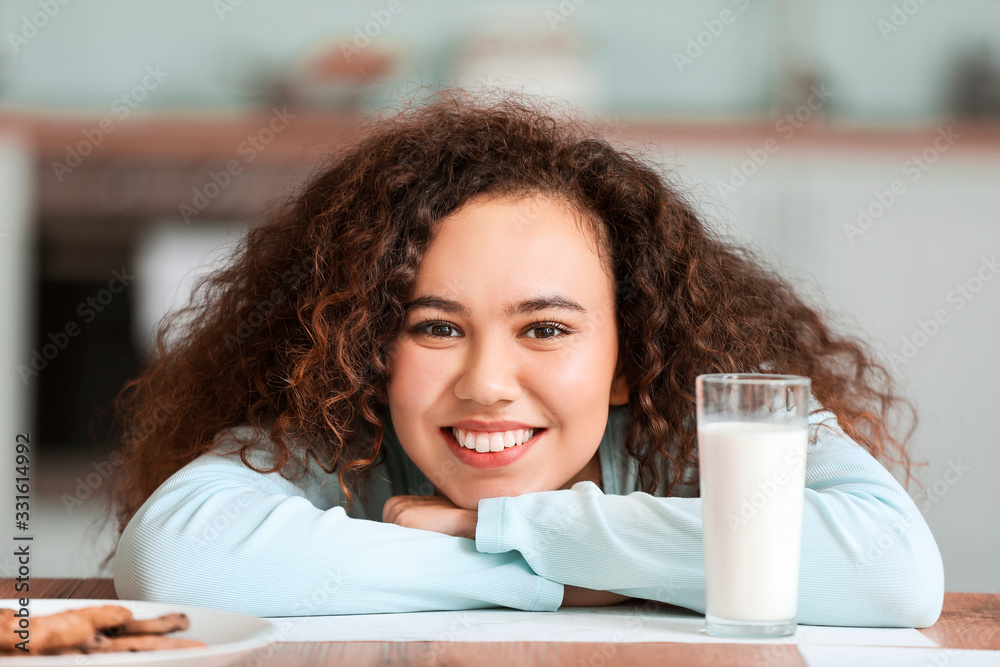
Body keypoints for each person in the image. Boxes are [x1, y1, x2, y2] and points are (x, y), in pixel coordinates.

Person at [106, 88, 944, 626]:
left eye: (545, 329)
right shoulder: (344, 435)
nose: (485, 385)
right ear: (371, 348)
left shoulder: (698, 430)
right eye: (435, 327)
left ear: (630, 355)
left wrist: (497, 522)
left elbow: (891, 568)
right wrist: (555, 577)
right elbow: (177, 556)